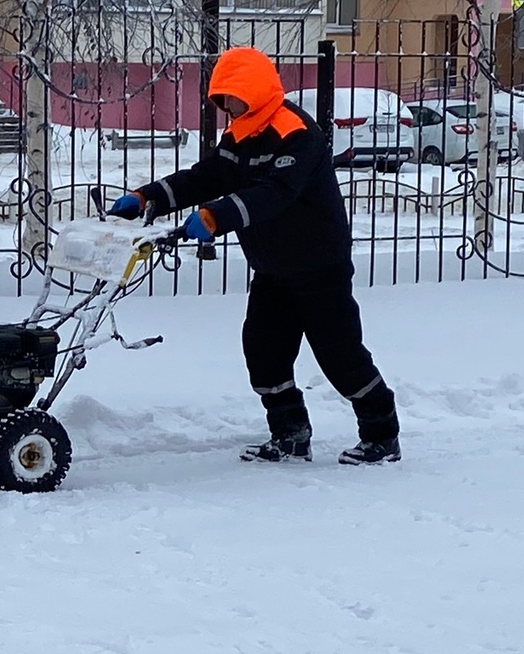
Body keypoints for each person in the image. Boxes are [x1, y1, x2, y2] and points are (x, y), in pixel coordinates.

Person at [109, 44, 401, 465]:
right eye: (221, 100)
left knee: (341, 357)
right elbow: (207, 177)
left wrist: (215, 217)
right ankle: (290, 432)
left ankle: (381, 434)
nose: (227, 107)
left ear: (255, 89)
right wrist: (148, 197)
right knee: (263, 352)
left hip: (319, 267)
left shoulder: (295, 133)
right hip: (272, 269)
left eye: (233, 97)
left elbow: (275, 193)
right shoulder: (239, 135)